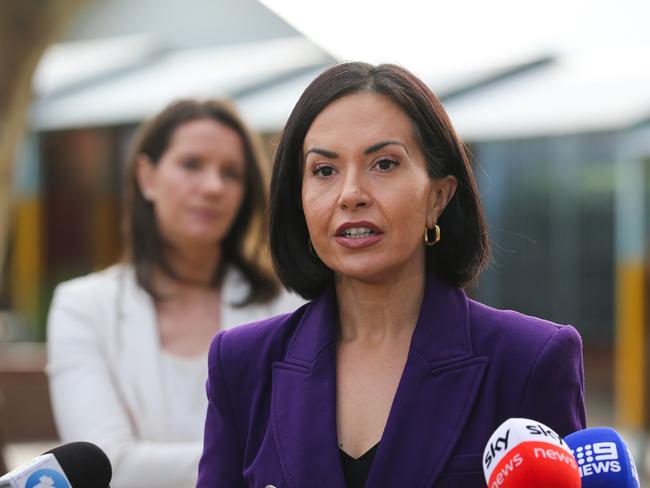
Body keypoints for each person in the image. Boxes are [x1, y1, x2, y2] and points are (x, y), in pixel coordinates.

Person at [197, 63, 586, 487]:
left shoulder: (529, 359)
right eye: (324, 170)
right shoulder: (241, 364)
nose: (351, 195)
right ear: (300, 199)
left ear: (439, 196)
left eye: (384, 164)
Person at [46, 99, 303, 488]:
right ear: (146, 177)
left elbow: (302, 449)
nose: (214, 186)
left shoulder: (289, 303)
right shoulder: (83, 307)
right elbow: (106, 464)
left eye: (231, 173)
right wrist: (246, 460)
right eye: (192, 164)